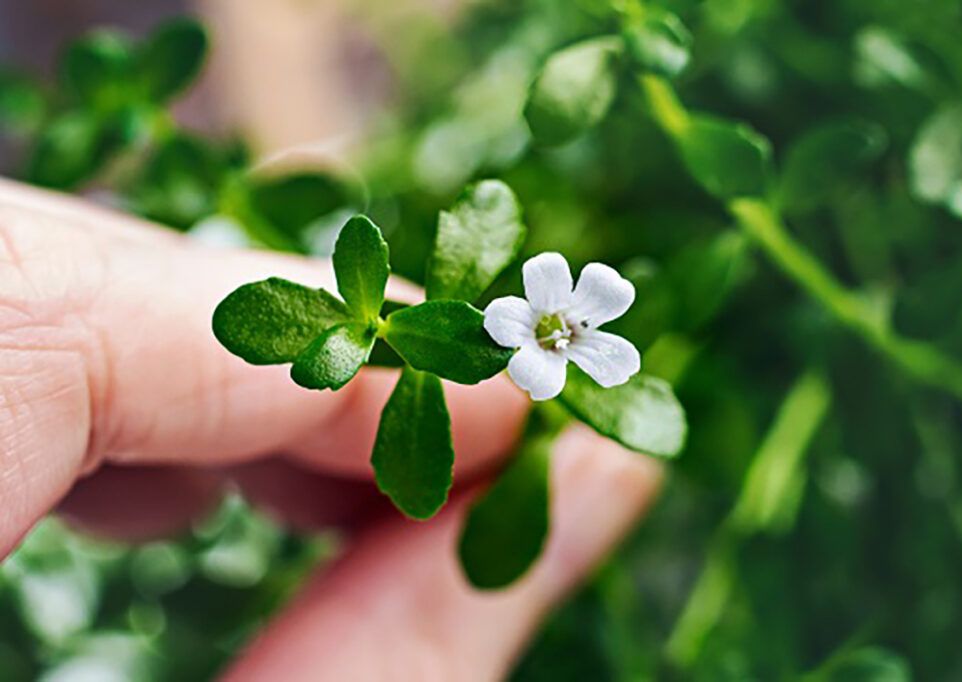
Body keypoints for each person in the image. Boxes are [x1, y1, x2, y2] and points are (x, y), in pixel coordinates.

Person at [0, 177, 662, 680]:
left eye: (561, 329)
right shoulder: (522, 325)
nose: (557, 329)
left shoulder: (557, 336)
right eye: (552, 326)